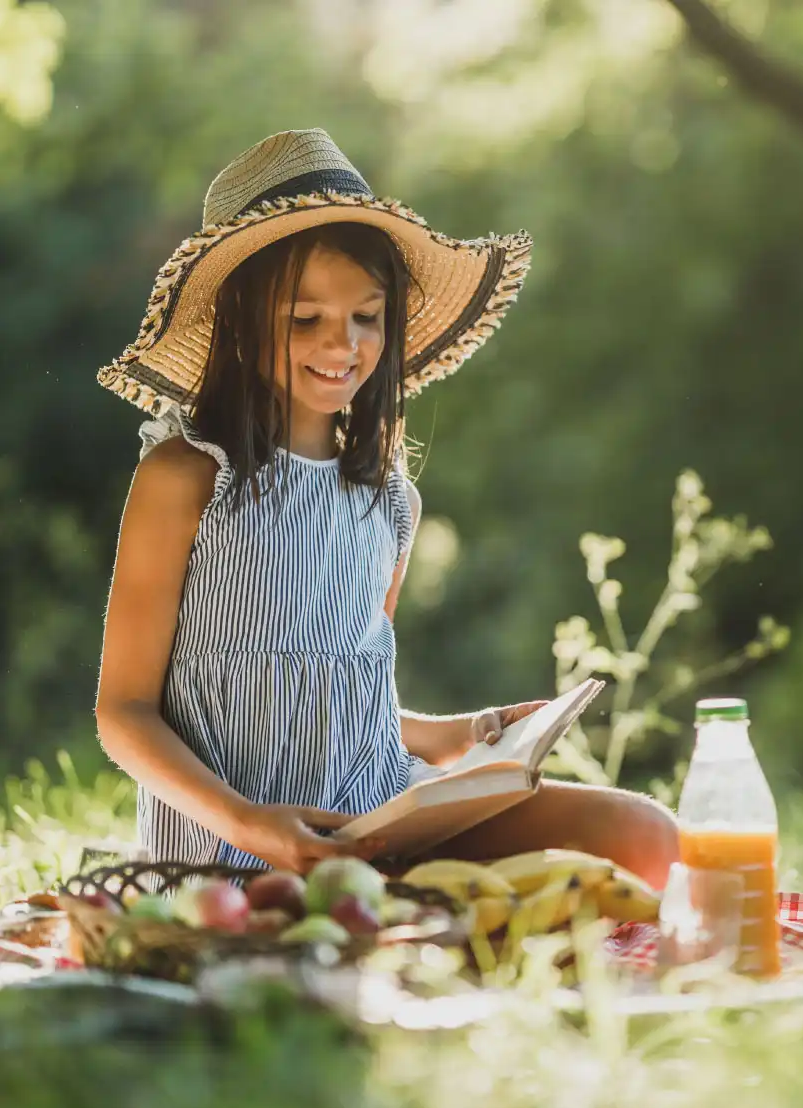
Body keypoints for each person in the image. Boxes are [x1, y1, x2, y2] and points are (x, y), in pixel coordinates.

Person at [93, 128, 680, 889]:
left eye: (366, 316)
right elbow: (125, 713)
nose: (343, 344)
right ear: (240, 321)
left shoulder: (391, 500)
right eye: (305, 319)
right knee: (313, 928)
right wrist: (250, 822)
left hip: (379, 818)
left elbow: (342, 697)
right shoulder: (187, 478)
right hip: (236, 851)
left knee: (647, 834)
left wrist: (465, 736)